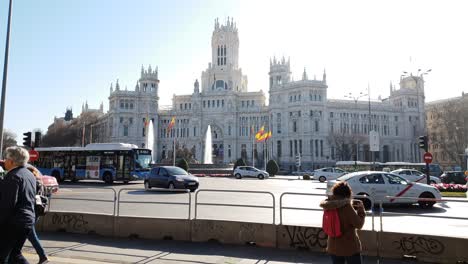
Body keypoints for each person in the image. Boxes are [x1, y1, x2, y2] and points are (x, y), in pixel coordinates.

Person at [0, 147, 36, 264]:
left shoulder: (13, 176)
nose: (4, 161)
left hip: (13, 223)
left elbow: (8, 204)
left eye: (6, 158)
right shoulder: (29, 174)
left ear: (11, 161)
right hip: (27, 220)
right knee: (15, 255)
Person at [320, 181, 366, 264]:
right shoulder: (346, 207)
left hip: (333, 246)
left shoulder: (328, 205)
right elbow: (359, 225)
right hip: (349, 247)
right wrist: (361, 211)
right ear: (347, 194)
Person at [26, 166, 49, 264]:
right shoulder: (39, 182)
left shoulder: (34, 183)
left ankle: (43, 256)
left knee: (30, 234)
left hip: (32, 211)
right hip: (37, 211)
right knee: (29, 234)